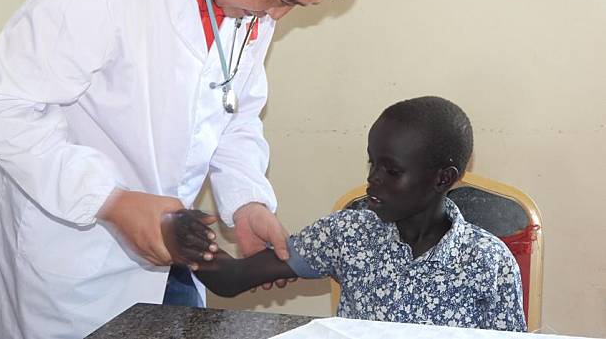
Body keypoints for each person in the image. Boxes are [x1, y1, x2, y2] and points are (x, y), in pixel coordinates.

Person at [0, 0, 363, 339]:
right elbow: (2, 108)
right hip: (72, 255)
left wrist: (247, 200)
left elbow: (234, 110)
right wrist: (110, 201)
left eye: (293, 5)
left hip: (173, 254)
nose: (276, 15)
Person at [165, 96, 527, 332]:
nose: (372, 179)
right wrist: (188, 241)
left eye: (391, 170)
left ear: (442, 178)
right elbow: (233, 279)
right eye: (372, 162)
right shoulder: (349, 234)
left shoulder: (488, 263)